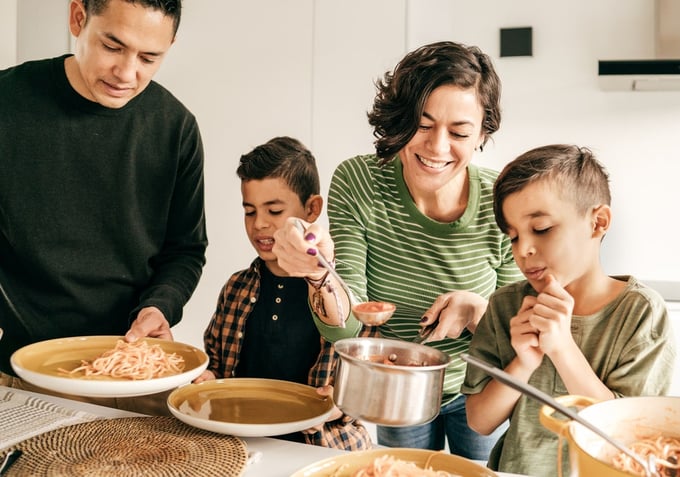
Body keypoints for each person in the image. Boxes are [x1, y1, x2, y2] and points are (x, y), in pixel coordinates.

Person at [272, 41, 524, 460]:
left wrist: (481, 312)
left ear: (482, 135)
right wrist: (319, 273)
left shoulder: (501, 199)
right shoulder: (359, 181)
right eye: (422, 125)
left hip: (481, 388)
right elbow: (346, 328)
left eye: (459, 132)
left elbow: (520, 334)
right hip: (395, 385)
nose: (437, 147)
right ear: (398, 121)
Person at [0, 0, 206, 415]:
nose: (128, 74)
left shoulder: (176, 128)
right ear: (78, 18)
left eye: (150, 58)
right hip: (16, 375)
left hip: (131, 375)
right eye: (113, 46)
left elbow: (185, 250)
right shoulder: (7, 103)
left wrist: (159, 305)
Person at [461, 144, 677, 476]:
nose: (524, 250)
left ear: (598, 222)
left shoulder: (641, 314)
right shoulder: (505, 306)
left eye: (542, 229)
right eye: (513, 237)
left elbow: (631, 436)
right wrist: (524, 362)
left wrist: (562, 349)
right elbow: (479, 421)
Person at [195, 136, 371, 450]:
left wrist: (337, 404)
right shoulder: (236, 288)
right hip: (241, 443)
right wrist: (208, 379)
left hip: (320, 445)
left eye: (274, 211)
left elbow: (363, 389)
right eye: (249, 211)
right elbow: (218, 367)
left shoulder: (342, 295)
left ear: (312, 208)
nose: (259, 224)